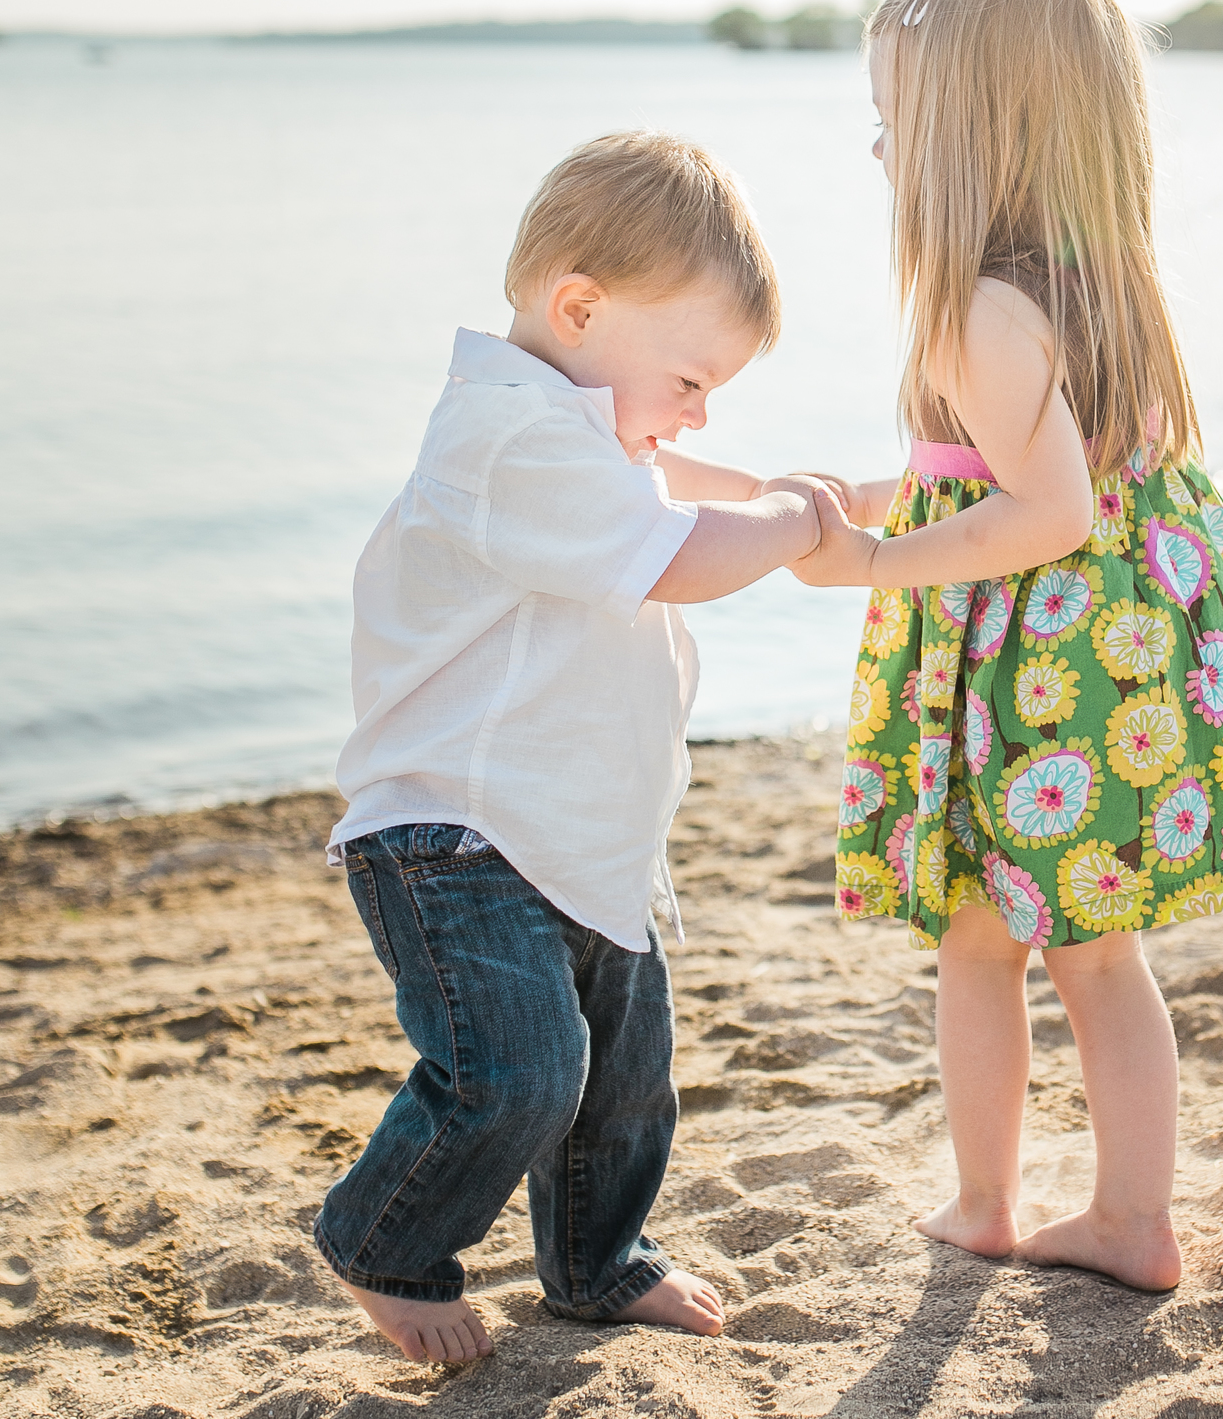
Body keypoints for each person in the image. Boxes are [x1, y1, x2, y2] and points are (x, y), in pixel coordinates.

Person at [790, 0, 1223, 1292]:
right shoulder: (1105, 281)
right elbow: (1008, 473)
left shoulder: (975, 308)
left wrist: (872, 559)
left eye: (892, 109)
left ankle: (989, 1200)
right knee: (1100, 953)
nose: (875, 137)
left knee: (980, 942)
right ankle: (1129, 1212)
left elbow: (1039, 511)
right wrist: (863, 495)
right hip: (1127, 664)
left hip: (1032, 684)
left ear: (970, 132)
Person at [317, 131, 856, 1363]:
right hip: (453, 830)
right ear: (577, 305)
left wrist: (828, 499)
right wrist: (784, 519)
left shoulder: (583, 430)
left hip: (576, 831)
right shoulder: (507, 437)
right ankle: (383, 1236)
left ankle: (597, 1261)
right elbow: (680, 549)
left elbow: (688, 487)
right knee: (522, 1069)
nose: (697, 411)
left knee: (623, 1074)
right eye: (688, 378)